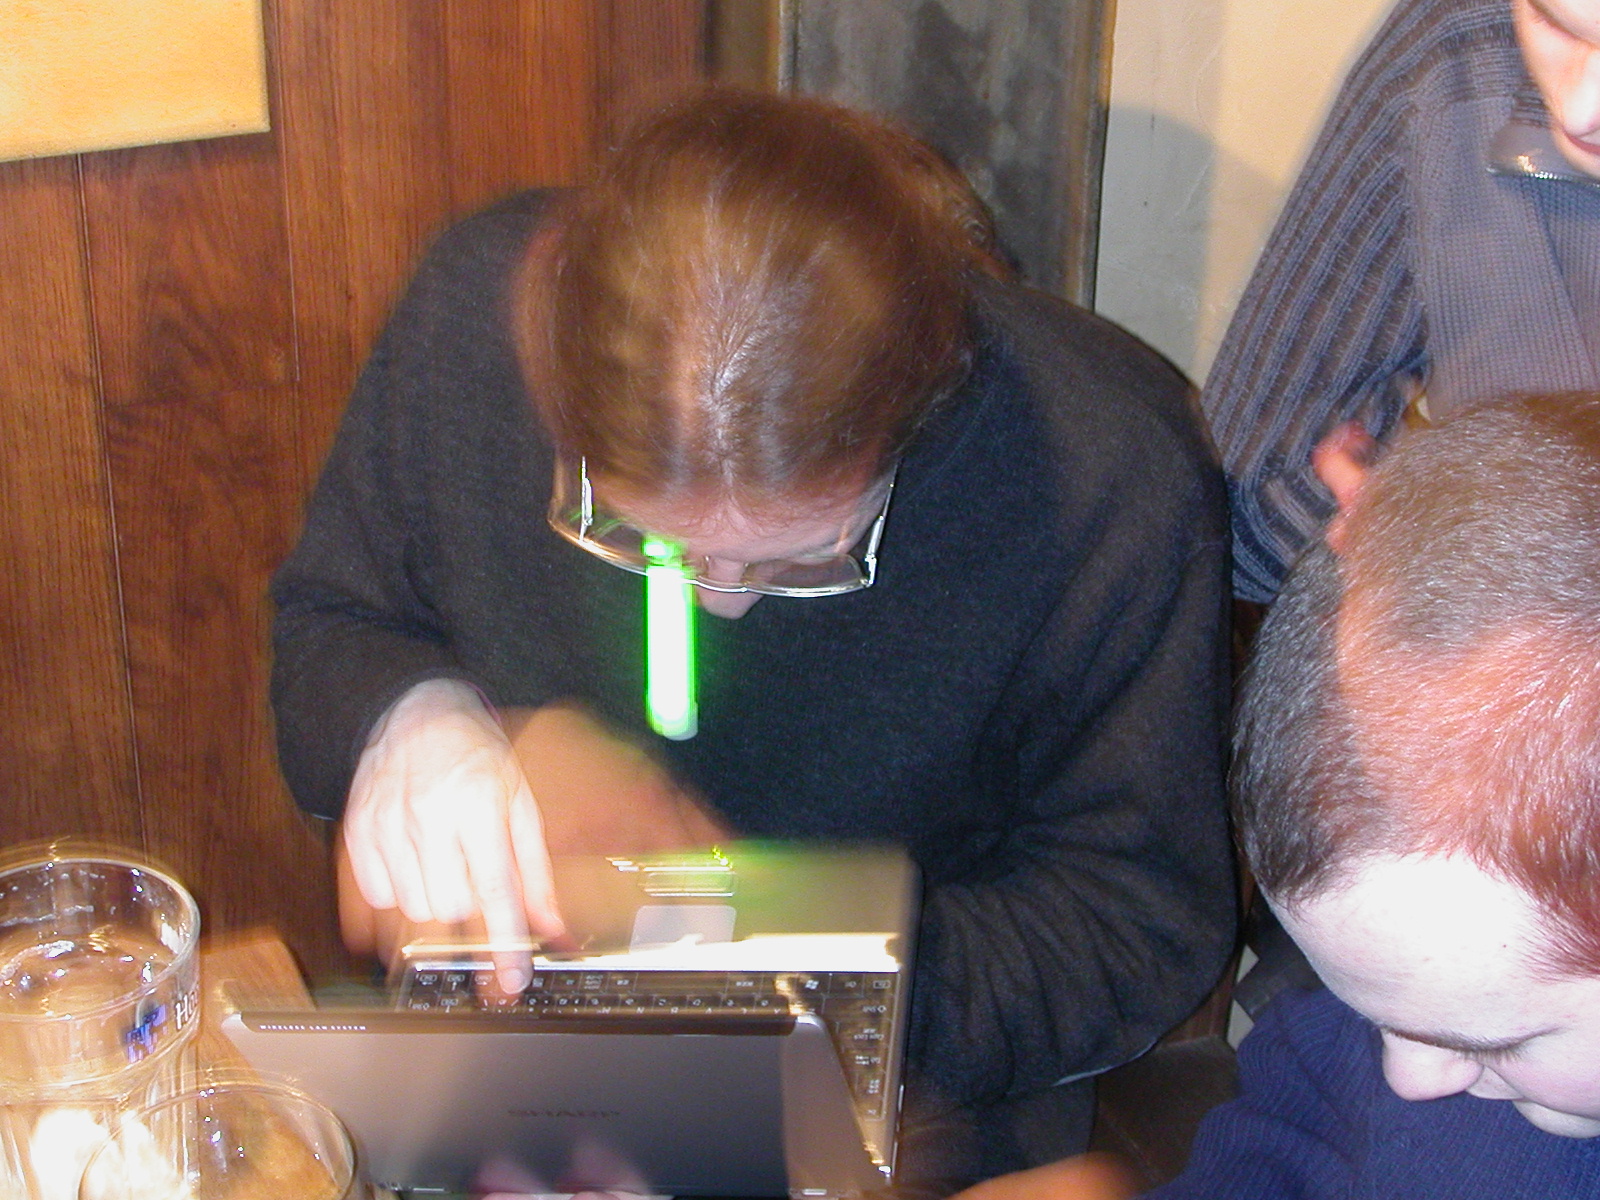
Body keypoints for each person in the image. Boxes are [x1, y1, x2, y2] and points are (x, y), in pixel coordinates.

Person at [269, 88, 1236, 1192]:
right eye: (641, 539)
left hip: (903, 1109)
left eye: (806, 554)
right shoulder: (464, 321)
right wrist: (406, 718)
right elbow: (331, 624)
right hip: (516, 1078)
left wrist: (779, 960)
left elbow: (1137, 923)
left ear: (914, 413)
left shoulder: (1110, 474)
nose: (715, 606)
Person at [956, 391, 1600, 1200]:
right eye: (1371, 1014)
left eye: (1494, 1044)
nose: (1406, 1078)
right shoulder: (1425, 992)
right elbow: (1295, 1133)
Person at [1202, 0, 1600, 603]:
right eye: (1553, 22)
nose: (1579, 111)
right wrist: (1410, 526)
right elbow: (1247, 502)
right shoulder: (1456, 53)